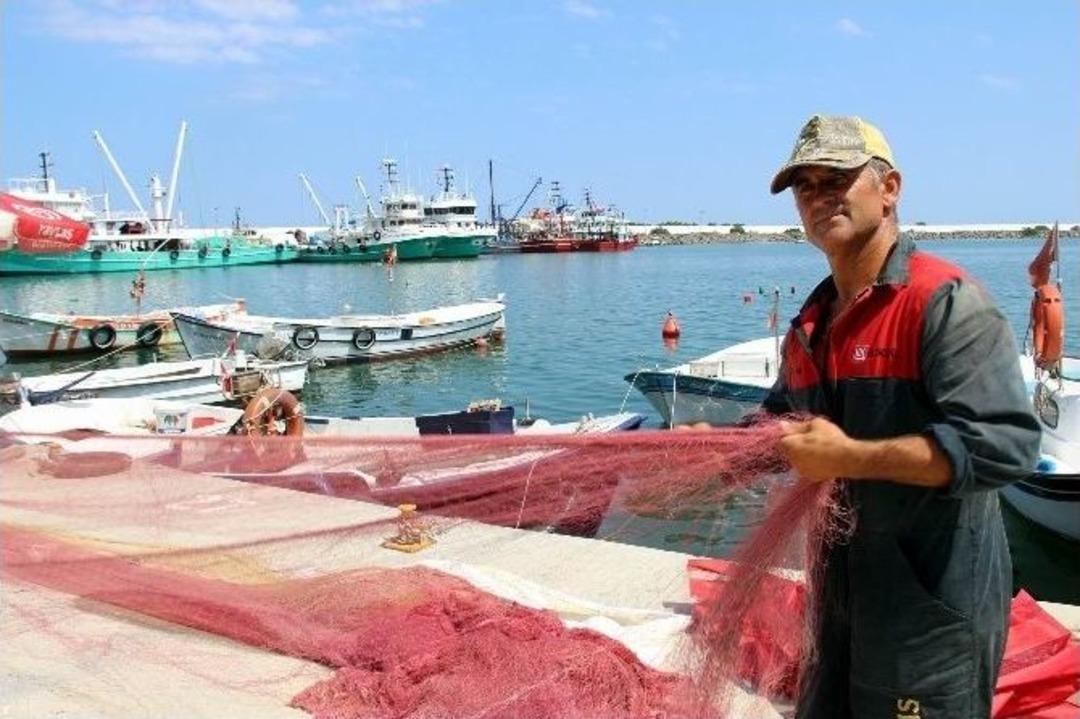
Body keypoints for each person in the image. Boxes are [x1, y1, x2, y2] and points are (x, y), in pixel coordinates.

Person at [765, 115, 1040, 718]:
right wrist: (705, 453)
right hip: (836, 611)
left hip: (929, 622)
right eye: (805, 186)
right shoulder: (810, 324)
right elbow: (775, 429)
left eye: (837, 178)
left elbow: (1003, 447)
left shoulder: (943, 302)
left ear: (889, 188)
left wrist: (849, 458)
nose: (819, 196)